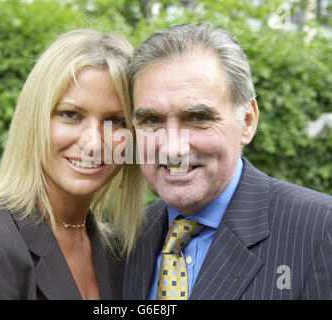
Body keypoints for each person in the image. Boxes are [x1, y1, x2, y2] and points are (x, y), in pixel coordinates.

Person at [124, 23, 332, 300]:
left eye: (198, 118)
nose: (173, 147)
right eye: (152, 120)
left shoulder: (320, 231)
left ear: (247, 121)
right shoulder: (127, 239)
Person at [0, 29, 145, 299]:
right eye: (71, 115)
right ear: (34, 121)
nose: (93, 143)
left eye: (116, 121)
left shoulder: (121, 253)